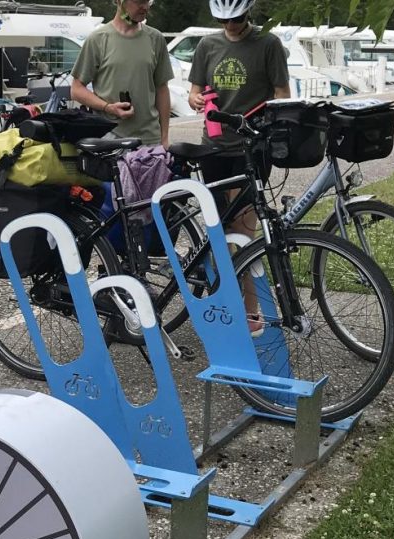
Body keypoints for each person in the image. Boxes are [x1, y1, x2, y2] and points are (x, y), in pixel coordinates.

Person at [187, 0, 290, 334]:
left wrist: (274, 130)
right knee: (219, 230)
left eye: (237, 19)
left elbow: (281, 94)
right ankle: (223, 303)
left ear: (249, 13)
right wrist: (196, 99)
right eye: (224, 20)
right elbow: (194, 91)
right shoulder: (207, 45)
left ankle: (250, 309)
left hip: (252, 146)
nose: (231, 26)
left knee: (245, 230)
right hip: (214, 145)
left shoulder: (268, 43)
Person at [69, 0, 174, 147]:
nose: (145, 7)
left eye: (148, 1)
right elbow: (76, 89)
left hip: (150, 141)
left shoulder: (155, 38)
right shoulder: (98, 39)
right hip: (110, 140)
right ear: (119, 1)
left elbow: (162, 90)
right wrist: (108, 107)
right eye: (139, 1)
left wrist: (164, 138)